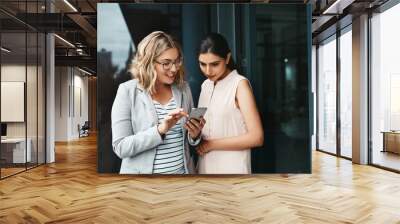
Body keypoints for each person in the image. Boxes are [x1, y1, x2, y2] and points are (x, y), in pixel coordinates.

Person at [111, 31, 205, 174]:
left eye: (177, 61)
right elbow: (121, 147)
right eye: (166, 63)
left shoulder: (183, 88)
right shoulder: (127, 91)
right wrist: (160, 130)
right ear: (148, 62)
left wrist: (195, 135)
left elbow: (186, 140)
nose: (173, 69)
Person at [196, 33, 264, 174]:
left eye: (214, 64)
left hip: (233, 169)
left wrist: (211, 145)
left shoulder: (239, 84)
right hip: (205, 167)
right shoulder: (205, 85)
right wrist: (195, 134)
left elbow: (257, 137)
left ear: (227, 58)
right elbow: (206, 130)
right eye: (203, 64)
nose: (208, 71)